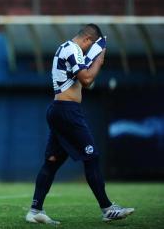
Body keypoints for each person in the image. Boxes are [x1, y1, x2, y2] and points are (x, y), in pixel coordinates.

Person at [25, 24, 134, 224]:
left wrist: (93, 60)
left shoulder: (67, 48)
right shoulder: (73, 49)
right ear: (87, 41)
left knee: (52, 162)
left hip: (60, 111)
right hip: (67, 112)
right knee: (91, 157)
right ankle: (107, 208)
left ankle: (35, 210)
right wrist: (99, 59)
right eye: (91, 47)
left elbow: (87, 81)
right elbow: (86, 79)